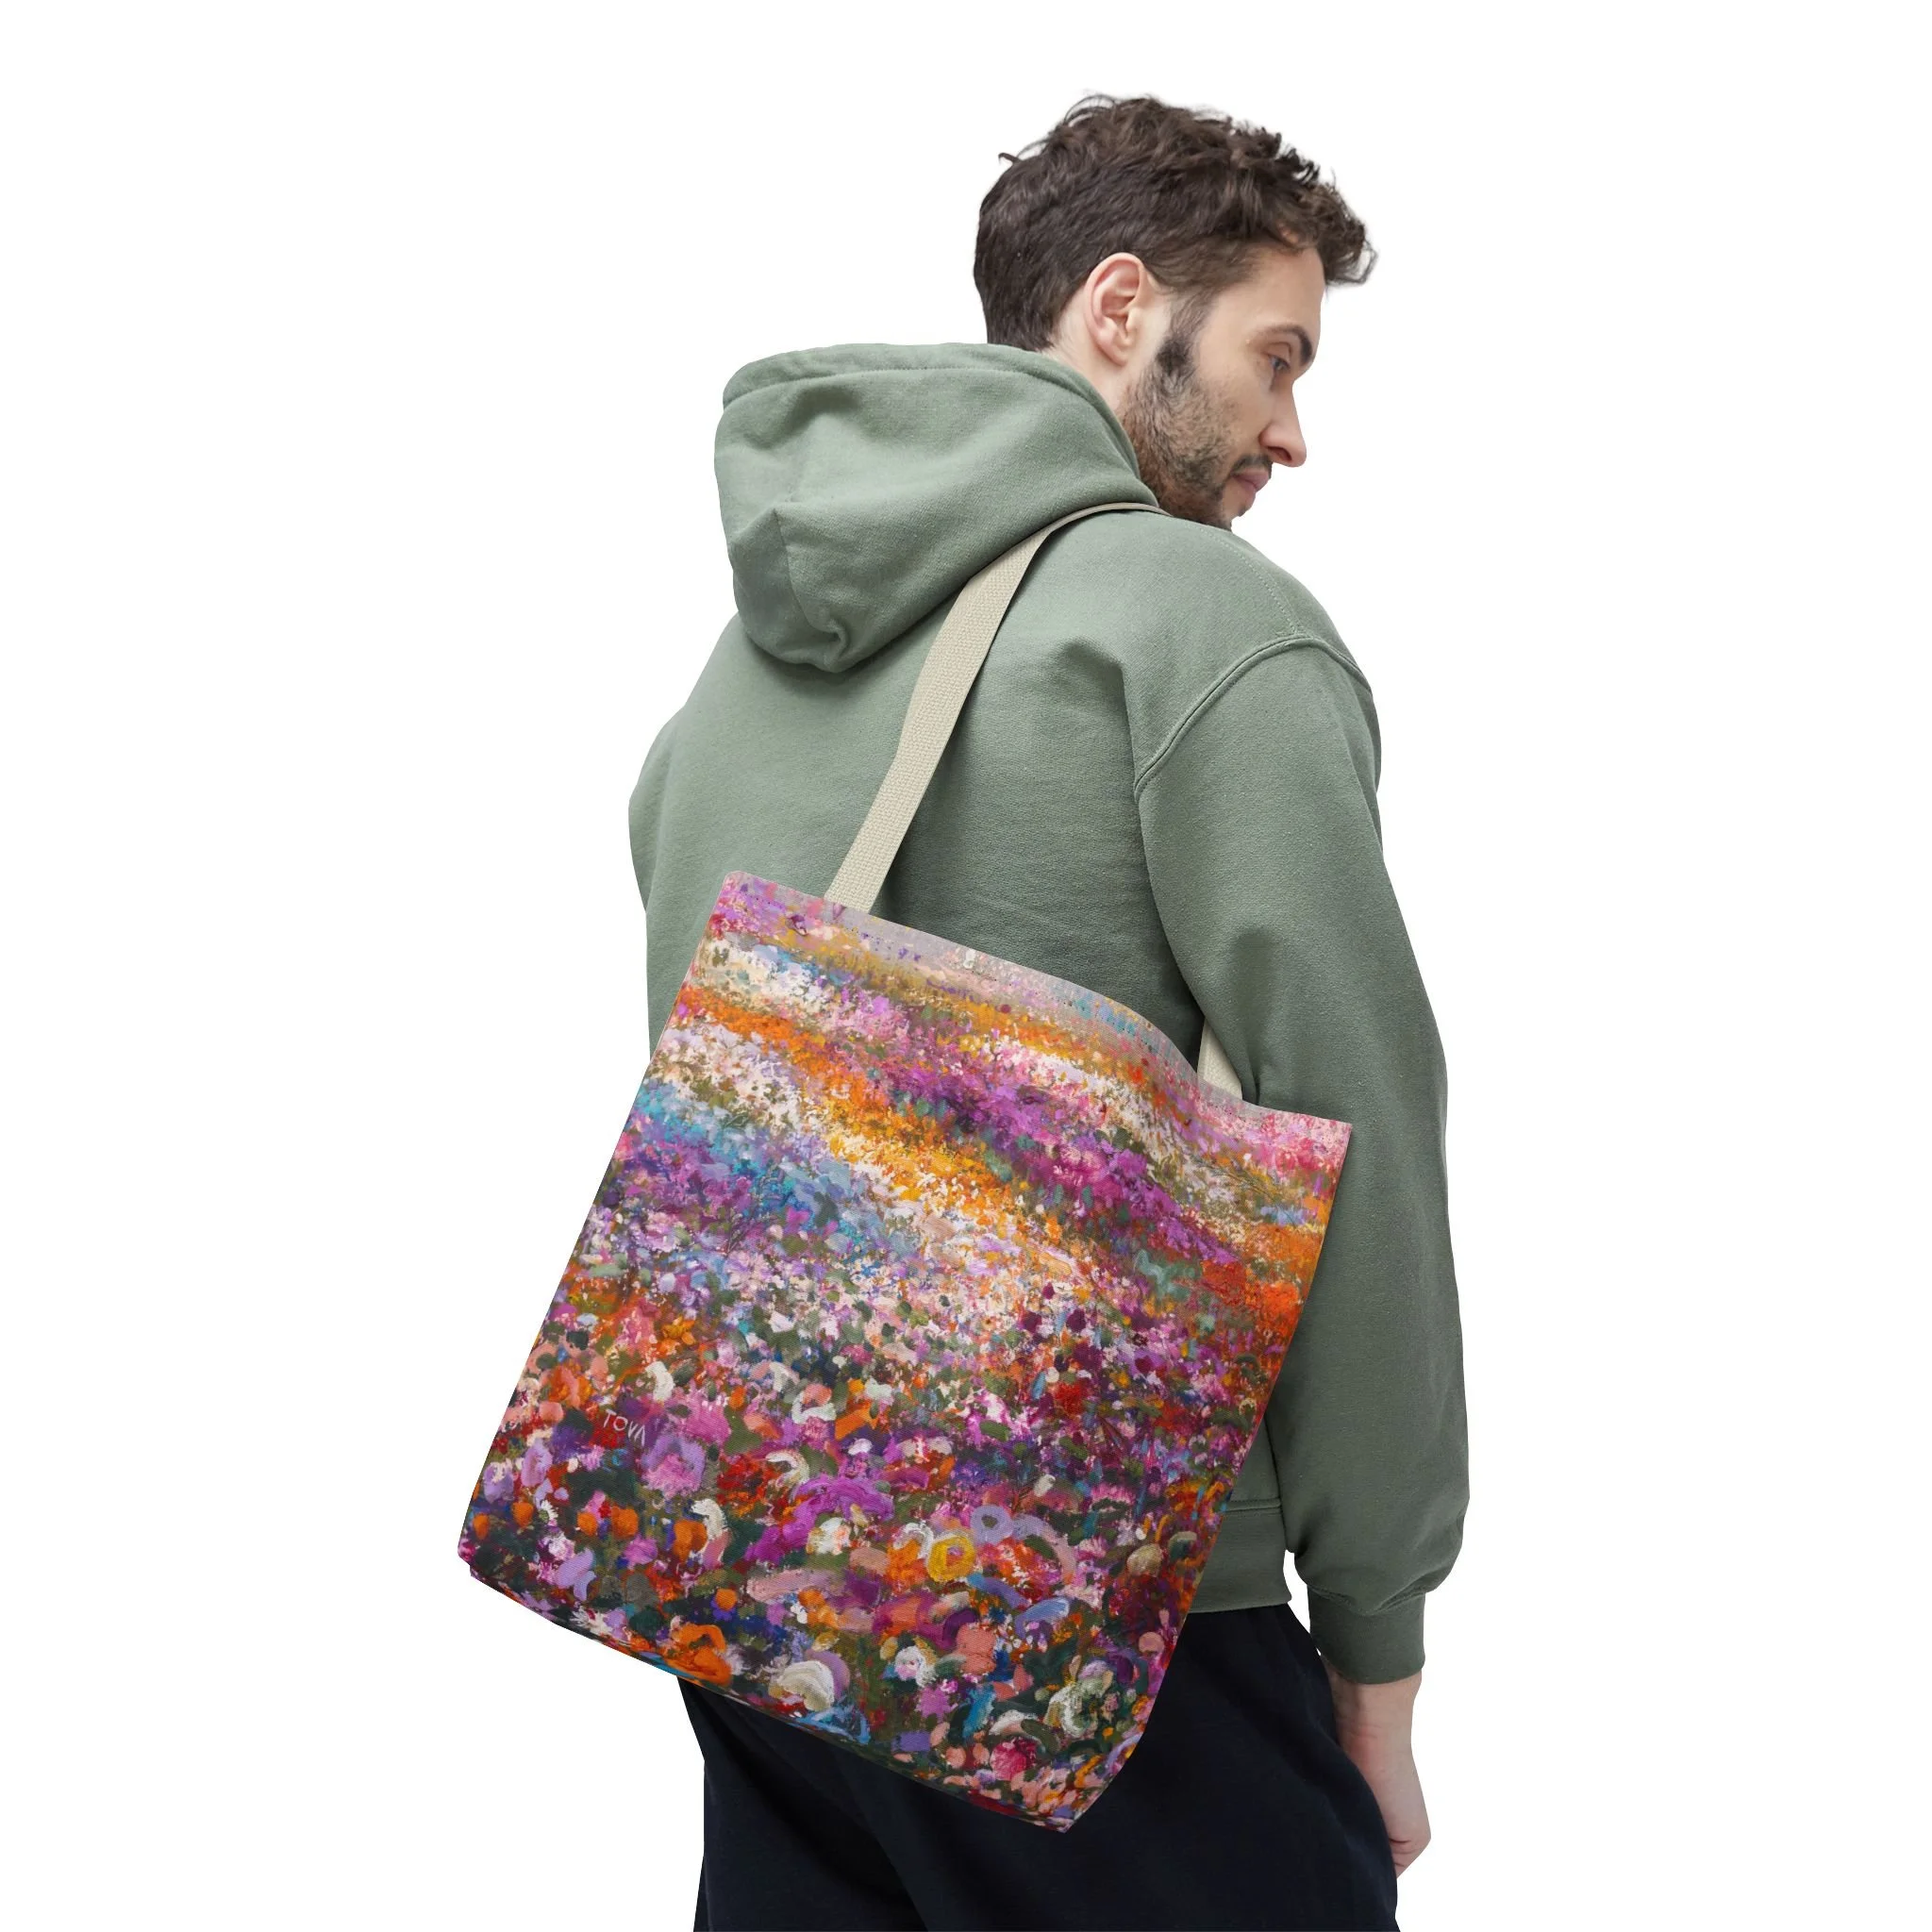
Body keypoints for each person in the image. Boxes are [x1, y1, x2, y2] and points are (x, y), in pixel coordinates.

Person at [627, 92, 1468, 1931]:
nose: (1293, 429)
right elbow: (1360, 1146)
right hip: (1109, 1607)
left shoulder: (749, 655)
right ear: (1118, 307)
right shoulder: (1200, 622)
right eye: (1273, 356)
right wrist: (1378, 1642)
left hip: (757, 1565)